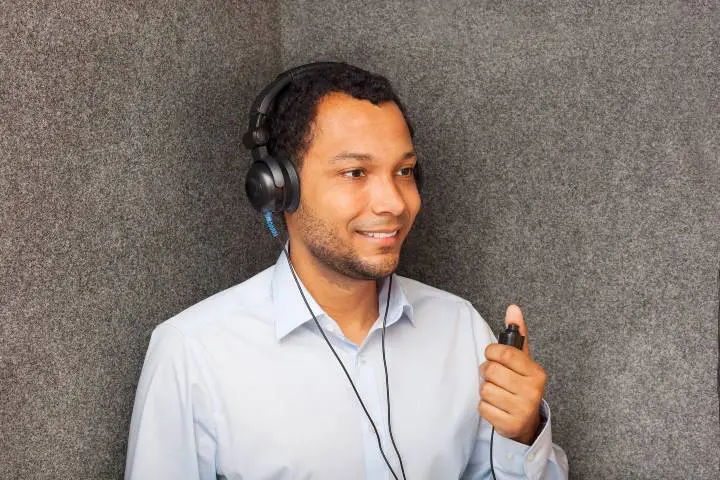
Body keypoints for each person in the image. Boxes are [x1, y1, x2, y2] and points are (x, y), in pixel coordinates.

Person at [125, 62, 569, 479]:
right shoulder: (193, 352)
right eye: (356, 172)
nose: (395, 203)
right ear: (279, 187)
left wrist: (523, 435)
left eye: (405, 171)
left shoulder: (461, 327)